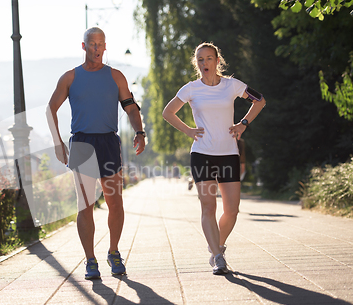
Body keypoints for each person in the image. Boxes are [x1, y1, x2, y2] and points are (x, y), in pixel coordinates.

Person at [46, 27, 146, 280]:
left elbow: (131, 109)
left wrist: (139, 131)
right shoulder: (70, 78)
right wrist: (58, 142)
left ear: (105, 46)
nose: (97, 49)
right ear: (84, 46)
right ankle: (90, 260)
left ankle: (113, 252)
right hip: (81, 144)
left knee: (115, 202)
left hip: (108, 143)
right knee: (85, 205)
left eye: (101, 44)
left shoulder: (116, 76)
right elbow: (51, 109)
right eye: (92, 44)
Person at [162, 42, 266, 275]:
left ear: (217, 61)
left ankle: (216, 246)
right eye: (200, 59)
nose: (204, 63)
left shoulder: (232, 86)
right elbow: (168, 112)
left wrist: (243, 124)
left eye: (209, 58)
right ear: (196, 63)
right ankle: (218, 257)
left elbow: (259, 100)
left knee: (232, 210)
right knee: (208, 207)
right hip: (202, 155)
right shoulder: (190, 89)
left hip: (228, 154)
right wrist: (188, 130)